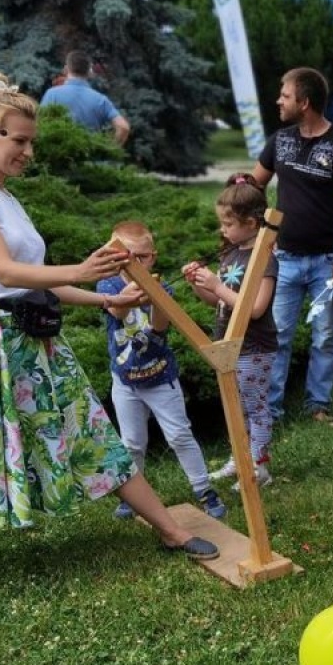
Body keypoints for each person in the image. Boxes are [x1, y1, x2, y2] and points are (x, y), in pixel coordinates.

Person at [0, 72, 217, 588]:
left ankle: (170, 530)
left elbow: (40, 282)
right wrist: (80, 270)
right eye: (18, 140)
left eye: (31, 141)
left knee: (90, 431)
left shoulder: (6, 197)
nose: (28, 151)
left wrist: (107, 296)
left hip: (32, 335)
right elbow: (3, 272)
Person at [251, 66, 333, 425]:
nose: (278, 101)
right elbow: (253, 184)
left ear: (304, 102)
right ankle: (270, 410)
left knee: (325, 337)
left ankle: (317, 404)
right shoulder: (280, 140)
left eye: (284, 95)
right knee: (279, 335)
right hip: (283, 259)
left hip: (327, 262)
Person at [97, 220, 227, 521]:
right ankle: (134, 497)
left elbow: (159, 327)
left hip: (160, 379)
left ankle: (204, 489)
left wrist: (155, 294)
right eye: (128, 257)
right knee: (132, 443)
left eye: (142, 258)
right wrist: (133, 292)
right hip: (125, 382)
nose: (135, 264)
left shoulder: (162, 287)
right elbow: (117, 311)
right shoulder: (108, 285)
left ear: (152, 257)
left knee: (179, 435)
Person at [182, 174, 280, 489]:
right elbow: (219, 301)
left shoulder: (264, 259)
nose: (223, 230)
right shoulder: (230, 254)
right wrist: (201, 285)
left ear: (251, 223)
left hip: (254, 348)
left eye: (228, 224)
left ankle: (259, 466)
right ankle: (240, 458)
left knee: (255, 407)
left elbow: (254, 309)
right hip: (228, 343)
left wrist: (217, 284)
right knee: (234, 407)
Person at [39, 50, 131, 145]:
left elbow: (39, 124)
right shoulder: (100, 100)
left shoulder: (52, 94)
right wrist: (109, 150)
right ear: (89, 72)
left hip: (58, 156)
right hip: (91, 157)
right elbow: (123, 127)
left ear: (66, 69)